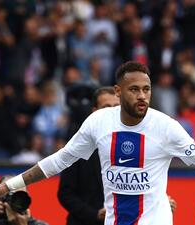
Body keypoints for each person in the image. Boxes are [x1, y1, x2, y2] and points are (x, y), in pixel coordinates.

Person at [0, 61, 195, 225]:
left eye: (146, 89)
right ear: (118, 91)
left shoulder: (166, 127)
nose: (142, 96)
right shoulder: (98, 122)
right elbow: (58, 161)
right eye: (134, 89)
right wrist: (8, 187)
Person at [58, 86, 176, 225]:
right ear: (94, 111)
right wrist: (94, 214)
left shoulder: (135, 144)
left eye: (116, 106)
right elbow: (65, 194)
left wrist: (160, 203)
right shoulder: (78, 145)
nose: (112, 112)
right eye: (106, 107)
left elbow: (140, 185)